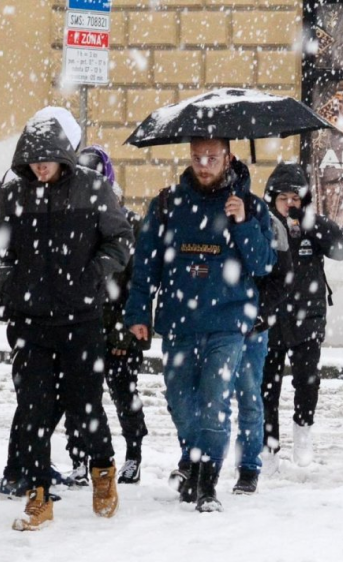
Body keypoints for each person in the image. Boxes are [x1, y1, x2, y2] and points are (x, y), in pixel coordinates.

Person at [0, 108, 133, 530]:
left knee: (85, 405)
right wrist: (11, 283)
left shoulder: (91, 189)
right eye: (33, 160)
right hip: (31, 322)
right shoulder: (16, 195)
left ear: (62, 155)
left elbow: (120, 239)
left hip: (80, 320)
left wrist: (94, 274)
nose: (40, 166)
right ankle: (38, 496)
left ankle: (103, 472)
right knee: (33, 410)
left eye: (46, 158)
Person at [125, 138, 274, 512]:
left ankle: (207, 479)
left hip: (228, 322)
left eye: (211, 157)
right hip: (179, 321)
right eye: (196, 157)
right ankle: (192, 457)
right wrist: (138, 312)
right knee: (179, 401)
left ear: (228, 158)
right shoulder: (167, 203)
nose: (203, 165)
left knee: (215, 401)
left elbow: (262, 264)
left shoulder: (251, 206)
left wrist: (242, 223)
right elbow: (146, 264)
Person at [63, 146, 150, 484]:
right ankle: (79, 458)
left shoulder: (128, 223)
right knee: (78, 395)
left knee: (124, 392)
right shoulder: (74, 219)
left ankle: (133, 454)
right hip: (80, 327)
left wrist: (123, 333)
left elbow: (137, 283)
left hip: (119, 331)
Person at [260, 163, 343, 470]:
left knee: (307, 382)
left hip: (308, 316)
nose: (289, 204)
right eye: (283, 198)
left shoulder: (312, 226)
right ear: (272, 198)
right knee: (266, 387)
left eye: (295, 198)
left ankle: (303, 432)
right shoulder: (262, 226)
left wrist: (311, 222)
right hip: (270, 317)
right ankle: (268, 445)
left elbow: (342, 249)